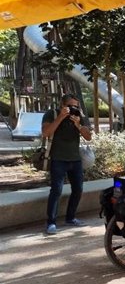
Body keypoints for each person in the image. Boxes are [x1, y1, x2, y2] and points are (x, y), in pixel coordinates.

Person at [41, 94, 93, 235]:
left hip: (75, 160)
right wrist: (60, 117)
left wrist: (78, 124)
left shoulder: (78, 116)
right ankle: (51, 222)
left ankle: (71, 218)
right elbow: (46, 132)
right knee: (56, 190)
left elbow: (88, 137)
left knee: (78, 189)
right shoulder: (51, 114)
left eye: (76, 106)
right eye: (70, 105)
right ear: (62, 105)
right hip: (58, 159)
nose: (73, 108)